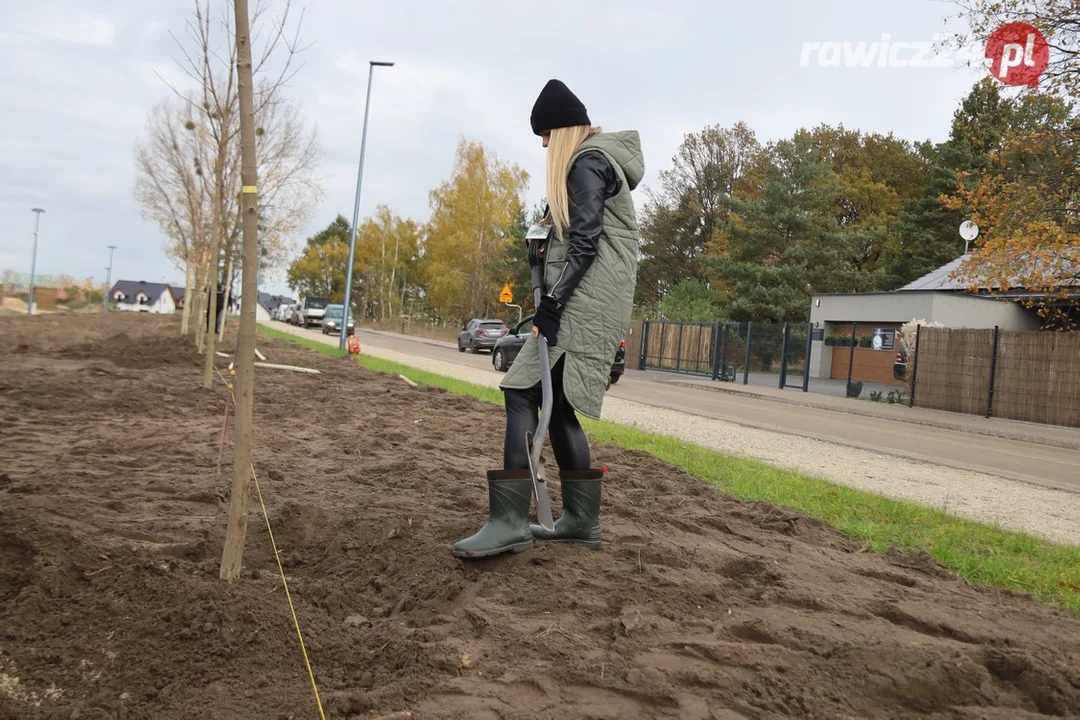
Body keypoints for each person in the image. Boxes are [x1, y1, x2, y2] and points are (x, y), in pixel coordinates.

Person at [452, 79, 644, 559]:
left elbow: (585, 244)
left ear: (561, 131)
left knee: (520, 391)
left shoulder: (587, 162)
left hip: (585, 303)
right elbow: (577, 238)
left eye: (544, 135)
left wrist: (552, 306)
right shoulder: (599, 162)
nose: (542, 145)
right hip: (595, 300)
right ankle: (580, 521)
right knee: (558, 406)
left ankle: (509, 520)